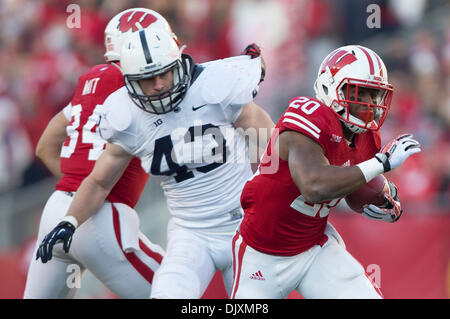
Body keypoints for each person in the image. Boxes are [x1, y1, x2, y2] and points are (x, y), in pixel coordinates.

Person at [35, 25, 274, 298]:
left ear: (178, 63)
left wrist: (272, 191)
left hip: (244, 223)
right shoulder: (126, 115)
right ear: (128, 80)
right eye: (148, 79)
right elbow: (99, 182)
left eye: (164, 73)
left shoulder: (215, 83)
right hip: (190, 234)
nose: (159, 84)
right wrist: (70, 221)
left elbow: (268, 138)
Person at [231, 45, 421, 299]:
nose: (369, 104)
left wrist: (387, 198)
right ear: (330, 88)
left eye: (374, 95)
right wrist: (382, 163)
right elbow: (314, 185)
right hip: (261, 253)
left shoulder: (366, 136)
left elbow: (356, 193)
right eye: (359, 92)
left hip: (314, 248)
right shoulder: (307, 116)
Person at [25, 8, 173, 299]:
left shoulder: (91, 79)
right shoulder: (139, 83)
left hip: (56, 210)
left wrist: (79, 185)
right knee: (182, 293)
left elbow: (45, 146)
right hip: (99, 216)